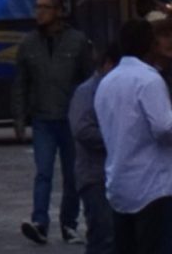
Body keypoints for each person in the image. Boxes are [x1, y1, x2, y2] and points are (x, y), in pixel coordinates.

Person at [19, 0, 97, 245]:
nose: (39, 12)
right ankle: (40, 222)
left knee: (72, 174)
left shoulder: (77, 42)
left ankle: (69, 224)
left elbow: (89, 79)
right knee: (43, 172)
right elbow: (20, 84)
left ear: (59, 11)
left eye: (45, 8)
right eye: (37, 7)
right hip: (43, 118)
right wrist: (19, 118)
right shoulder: (28, 44)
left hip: (70, 119)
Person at [95, 23, 172, 254]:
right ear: (151, 45)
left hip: (119, 182)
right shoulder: (149, 80)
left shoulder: (107, 82)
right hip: (152, 185)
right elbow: (163, 127)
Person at [73, 48, 117, 254]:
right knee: (102, 236)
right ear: (107, 63)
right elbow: (82, 130)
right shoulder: (87, 91)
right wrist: (116, 137)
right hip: (94, 175)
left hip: (112, 175)